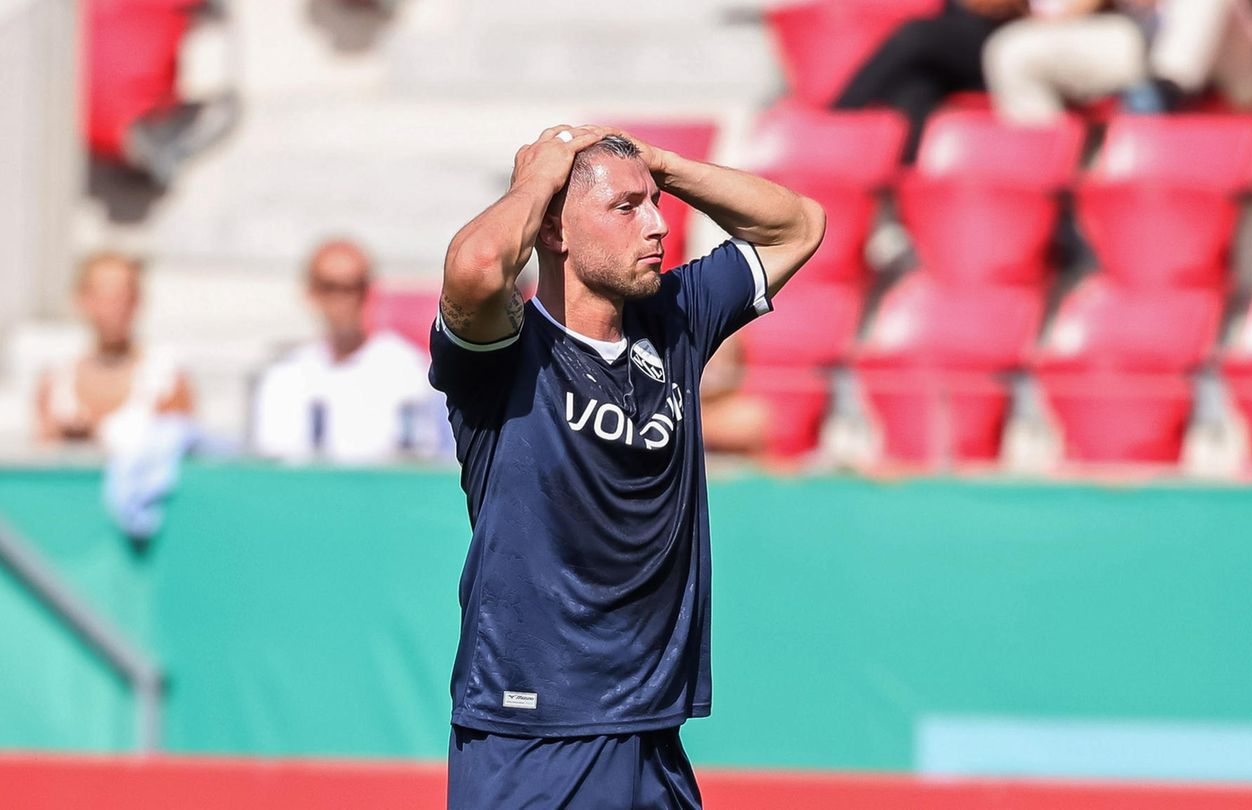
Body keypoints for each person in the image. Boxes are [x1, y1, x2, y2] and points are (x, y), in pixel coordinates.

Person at [430, 126, 824, 808]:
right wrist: (537, 180)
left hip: (649, 730)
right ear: (556, 231)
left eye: (656, 205)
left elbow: (799, 225)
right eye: (625, 209)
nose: (657, 226)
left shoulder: (674, 317)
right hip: (532, 732)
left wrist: (662, 166)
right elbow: (478, 265)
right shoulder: (505, 351)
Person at [250, 239, 440, 464]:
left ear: (368, 292)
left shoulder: (410, 369)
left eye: (352, 287)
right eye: (330, 287)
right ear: (312, 293)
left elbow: (425, 461)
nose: (342, 300)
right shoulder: (285, 376)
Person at [984, 0, 1252, 124]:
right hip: (1145, 36)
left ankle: (1162, 97)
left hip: (1240, 51)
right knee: (1012, 51)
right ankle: (1050, 196)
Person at [35, 252, 194, 455]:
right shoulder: (56, 381)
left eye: (122, 297)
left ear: (137, 301)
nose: (114, 309)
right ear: (82, 300)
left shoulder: (166, 381)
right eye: (103, 297)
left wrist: (97, 435)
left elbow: (178, 455)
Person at [833, 0, 1026, 161]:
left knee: (915, 35)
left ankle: (839, 118)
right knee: (913, 88)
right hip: (947, 45)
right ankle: (902, 189)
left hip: (1003, 40)